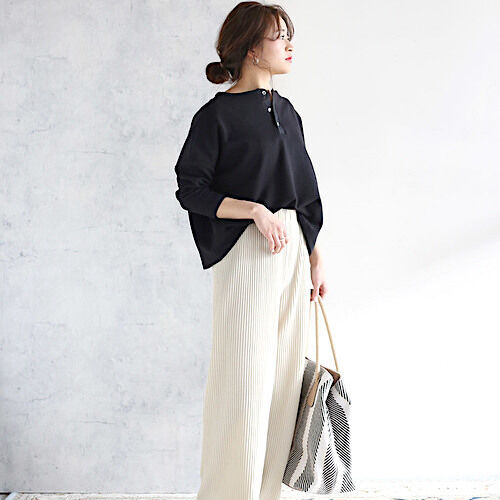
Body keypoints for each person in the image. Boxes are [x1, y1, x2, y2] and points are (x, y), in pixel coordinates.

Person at [173, 2, 328, 499]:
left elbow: (305, 192)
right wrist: (254, 211)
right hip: (247, 253)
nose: (289, 44)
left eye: (288, 34)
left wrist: (315, 255)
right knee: (243, 382)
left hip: (292, 253)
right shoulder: (215, 116)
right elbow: (191, 189)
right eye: (279, 36)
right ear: (250, 50)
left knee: (284, 384)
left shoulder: (287, 112)